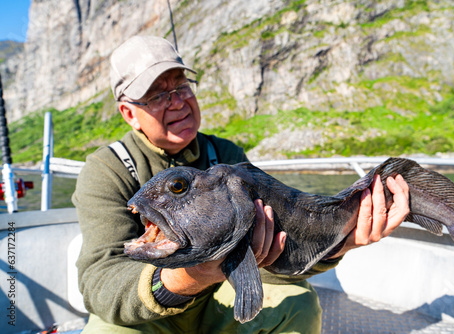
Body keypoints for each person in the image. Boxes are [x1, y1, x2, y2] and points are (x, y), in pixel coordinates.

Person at [73, 35, 410, 333]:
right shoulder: (107, 169)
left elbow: (274, 255)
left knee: (300, 306)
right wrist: (191, 276)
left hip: (221, 297)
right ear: (129, 113)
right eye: (156, 95)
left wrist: (340, 242)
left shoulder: (226, 157)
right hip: (148, 317)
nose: (177, 101)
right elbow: (99, 281)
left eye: (181, 87)